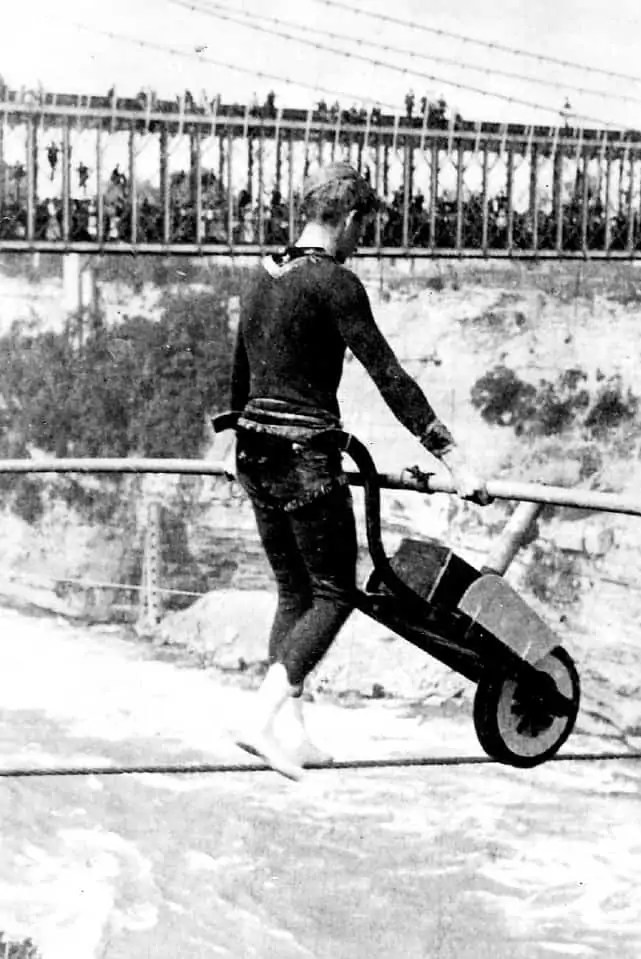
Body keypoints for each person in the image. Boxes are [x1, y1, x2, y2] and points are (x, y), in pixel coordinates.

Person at [221, 162, 490, 780]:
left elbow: (241, 370)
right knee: (335, 591)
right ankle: (259, 721)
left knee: (294, 591)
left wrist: (230, 441)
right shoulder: (336, 283)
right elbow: (389, 375)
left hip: (255, 455)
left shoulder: (261, 275)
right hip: (305, 460)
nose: (362, 242)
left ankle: (293, 733)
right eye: (363, 228)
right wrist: (452, 457)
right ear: (347, 219)